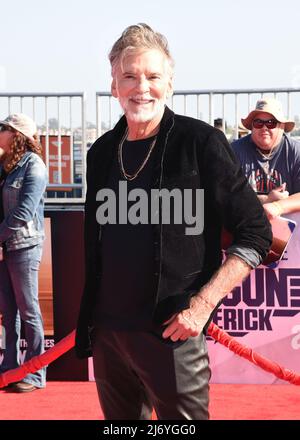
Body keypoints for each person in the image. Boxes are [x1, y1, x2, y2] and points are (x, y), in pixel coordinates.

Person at [75, 23, 272, 420]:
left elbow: (256, 232)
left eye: (152, 76)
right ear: (114, 85)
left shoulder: (200, 143)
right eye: (129, 76)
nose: (141, 87)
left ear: (170, 83)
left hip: (173, 334)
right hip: (110, 336)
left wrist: (201, 307)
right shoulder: (99, 154)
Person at [0, 113, 47, 392]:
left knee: (29, 310)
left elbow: (24, 212)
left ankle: (35, 374)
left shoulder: (34, 166)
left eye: (3, 128)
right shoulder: (6, 165)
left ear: (16, 134)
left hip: (25, 246)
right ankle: (10, 368)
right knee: (8, 310)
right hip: (7, 246)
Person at [232, 98, 300, 219]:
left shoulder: (296, 152)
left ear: (282, 126)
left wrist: (278, 207)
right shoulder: (235, 151)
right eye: (258, 122)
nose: (264, 128)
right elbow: (224, 194)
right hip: (244, 221)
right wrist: (266, 200)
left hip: (289, 224)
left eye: (271, 123)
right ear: (252, 126)